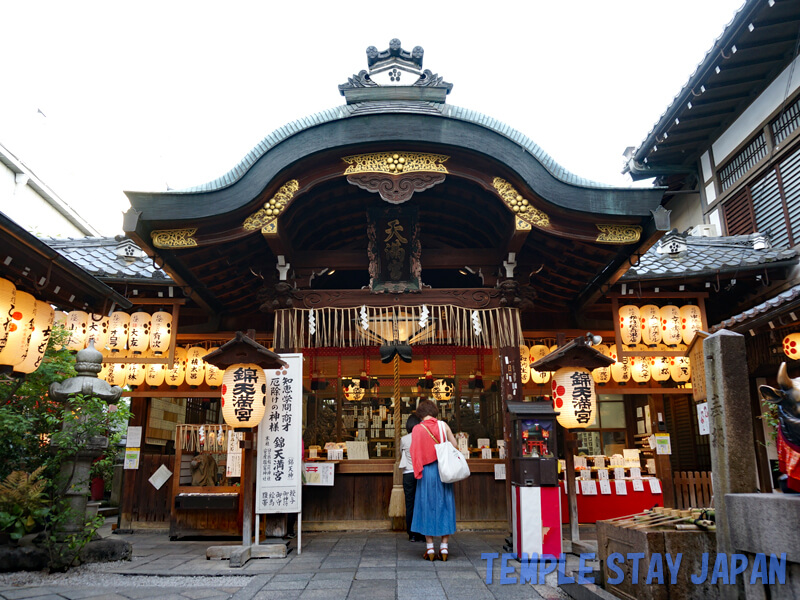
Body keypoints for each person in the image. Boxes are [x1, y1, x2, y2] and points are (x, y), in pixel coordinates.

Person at [410, 399, 458, 561]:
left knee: (427, 506)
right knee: (445, 505)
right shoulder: (443, 426)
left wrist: (418, 472)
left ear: (421, 414)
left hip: (426, 472)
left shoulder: (417, 429)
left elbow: (414, 453)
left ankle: (430, 548)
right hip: (443, 471)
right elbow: (455, 445)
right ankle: (444, 548)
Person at [398, 412, 422, 541]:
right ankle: (423, 533)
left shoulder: (404, 439)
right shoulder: (423, 438)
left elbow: (401, 452)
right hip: (421, 472)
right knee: (422, 502)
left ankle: (412, 534)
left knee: (410, 504)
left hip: (408, 473)